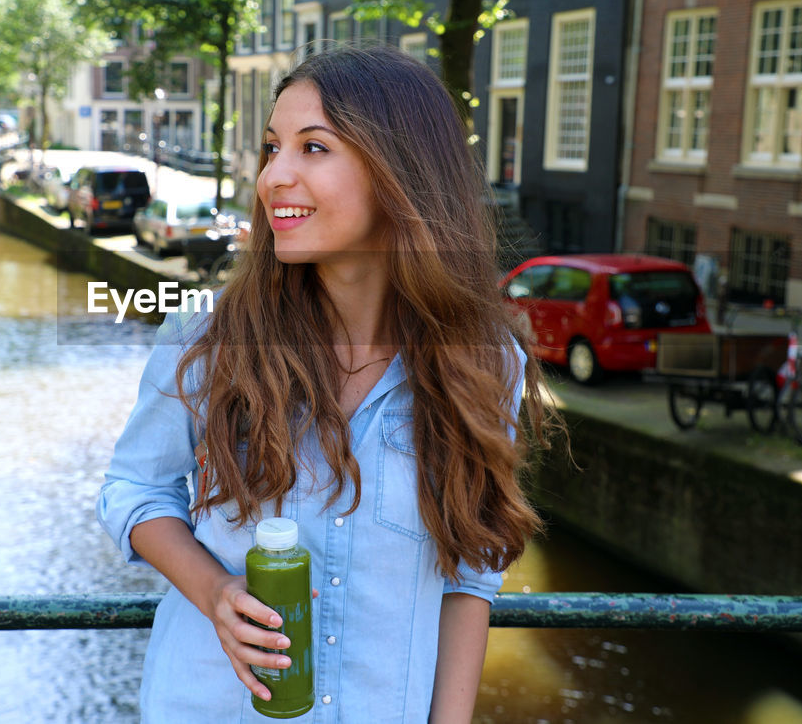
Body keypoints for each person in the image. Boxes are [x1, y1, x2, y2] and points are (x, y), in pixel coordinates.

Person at [98, 45, 555, 722]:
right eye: (271, 147)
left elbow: (472, 572)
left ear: (401, 171)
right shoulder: (206, 336)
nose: (274, 175)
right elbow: (132, 489)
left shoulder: (482, 362)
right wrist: (215, 590)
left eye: (314, 148)